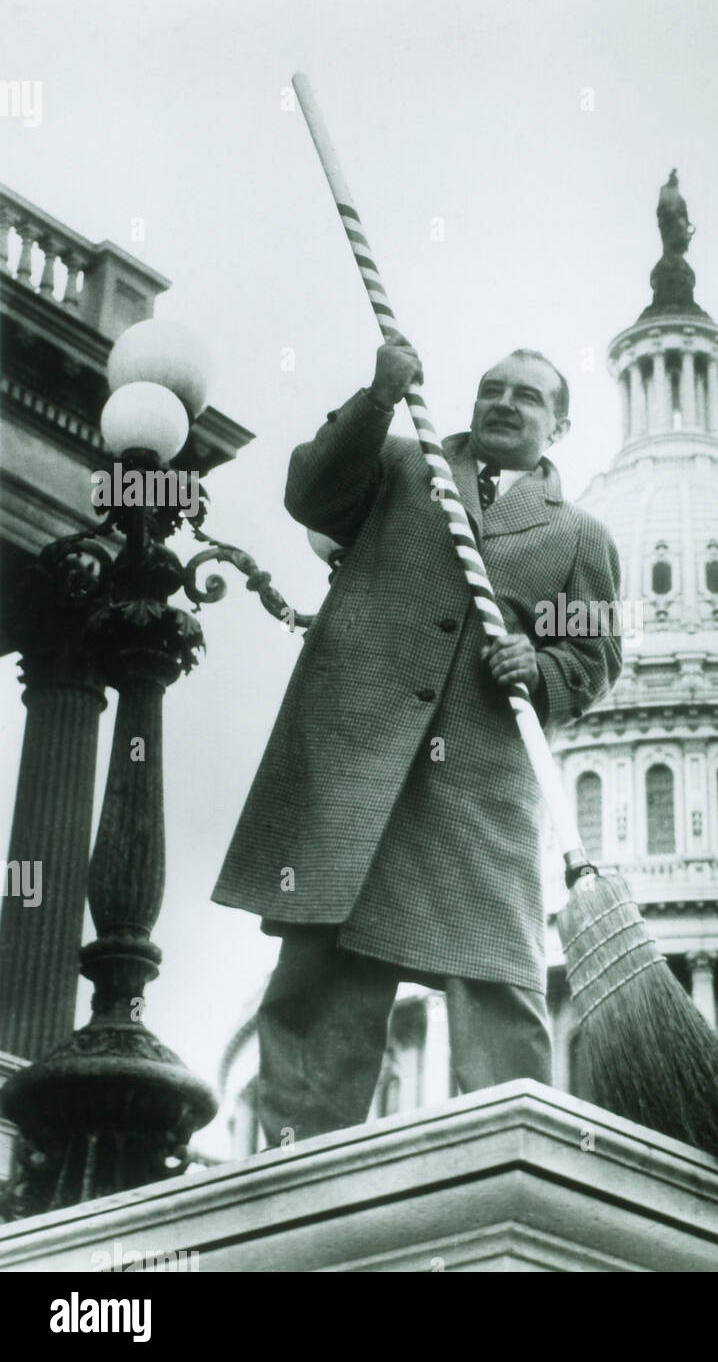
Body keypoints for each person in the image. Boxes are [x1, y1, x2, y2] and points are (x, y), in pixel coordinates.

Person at [210, 334, 623, 1144]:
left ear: (560, 430)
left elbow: (597, 653)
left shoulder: (579, 537)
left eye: (528, 396)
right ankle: (299, 1158)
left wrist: (540, 668)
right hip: (352, 760)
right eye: (492, 387)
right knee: (325, 961)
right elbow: (313, 494)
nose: (504, 402)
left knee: (499, 974)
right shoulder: (402, 464)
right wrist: (375, 396)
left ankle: (516, 1154)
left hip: (476, 783)